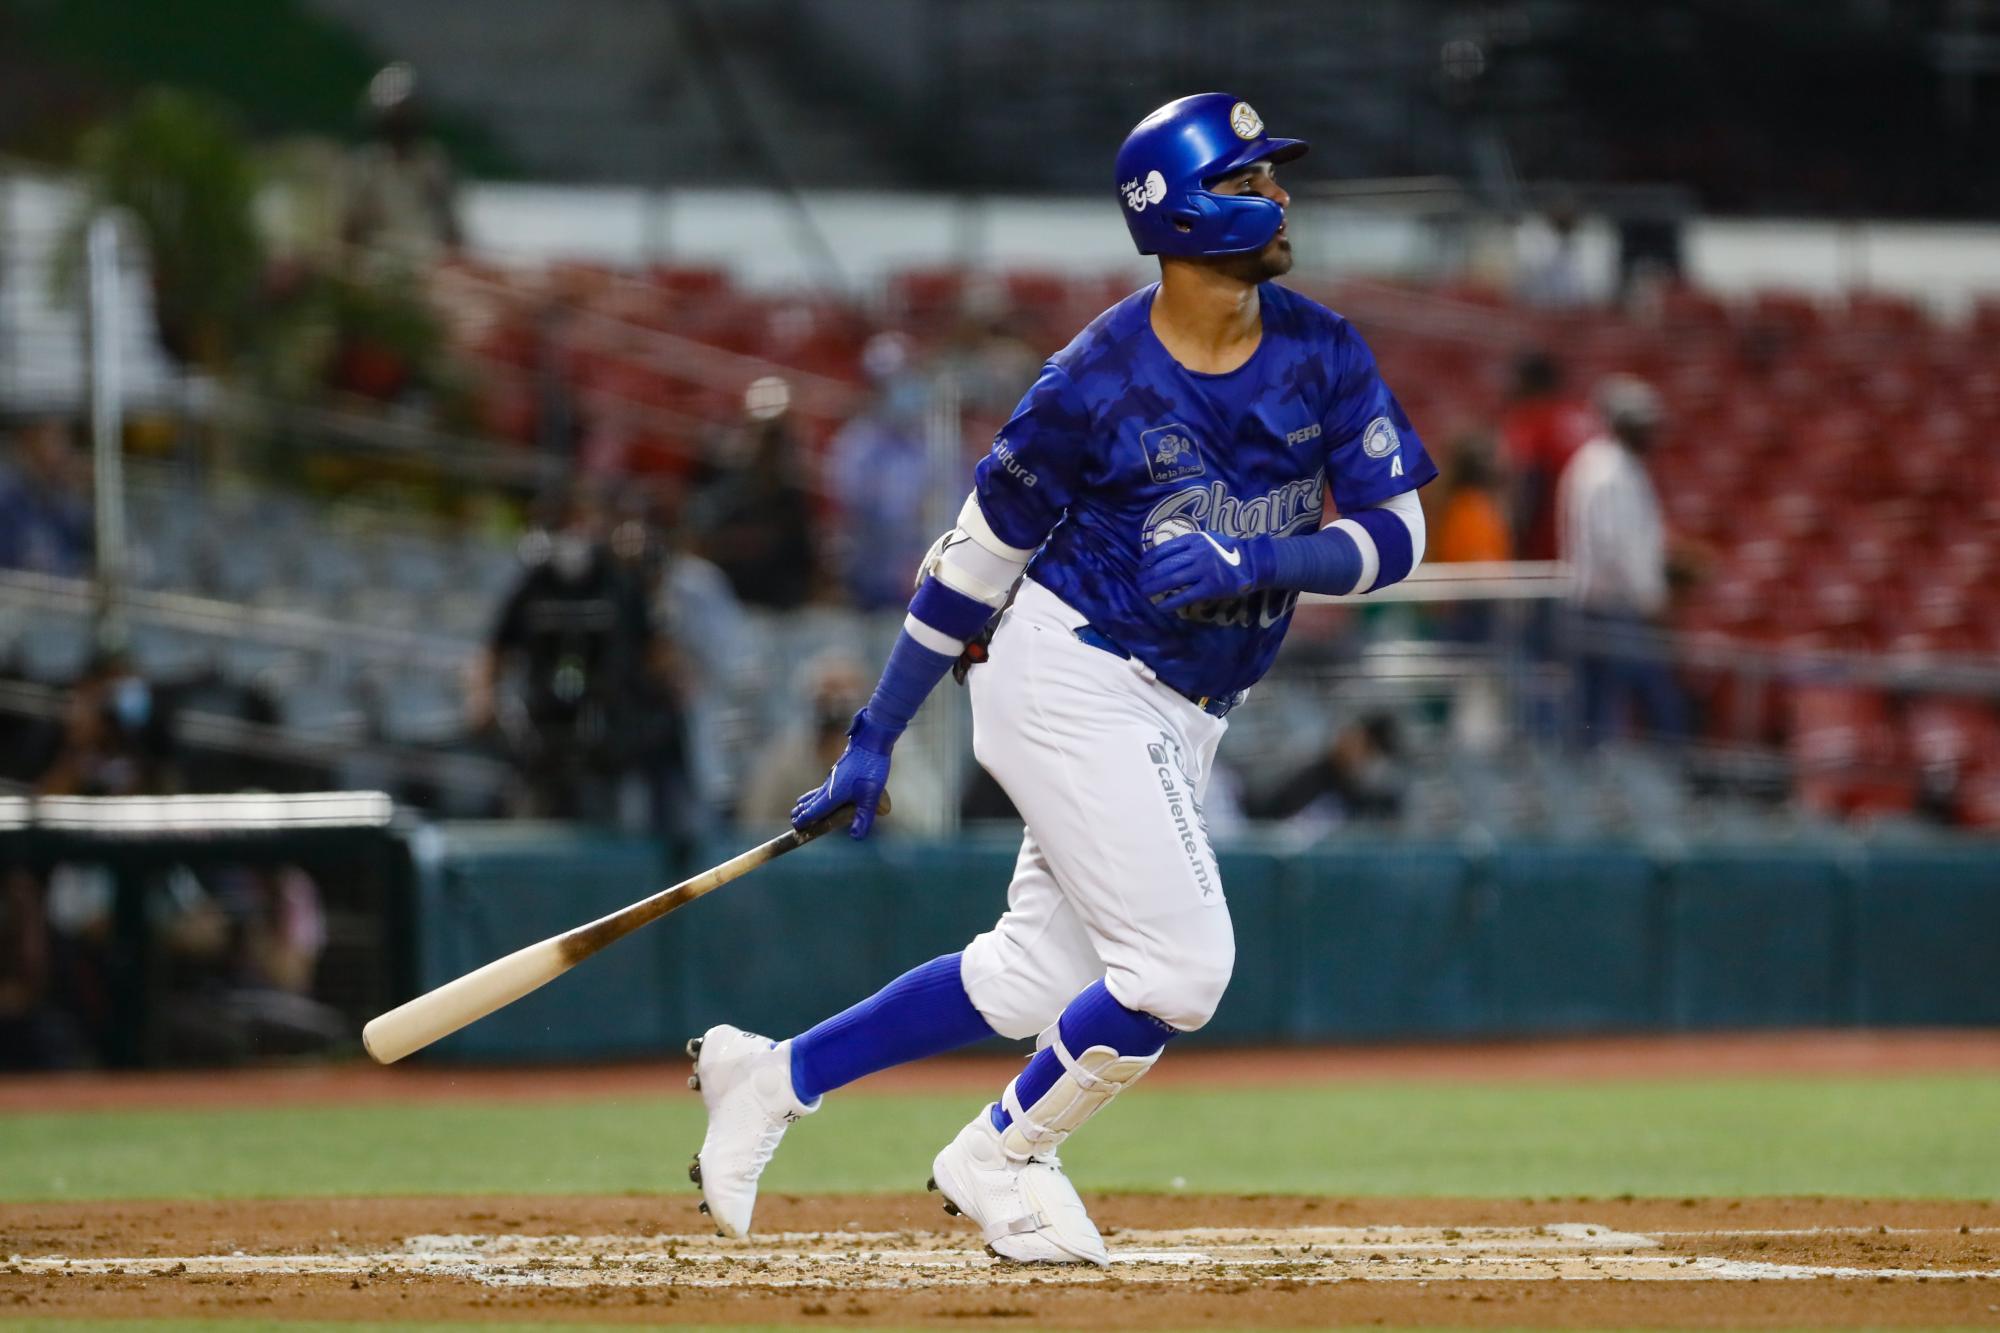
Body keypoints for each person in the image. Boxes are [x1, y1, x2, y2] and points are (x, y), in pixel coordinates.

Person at [685, 94, 1435, 1264]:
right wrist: (875, 734)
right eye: (1247, 182)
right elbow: (969, 564)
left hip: (1187, 705)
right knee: (1182, 968)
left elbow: (1399, 535)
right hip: (1071, 670)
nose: (1276, 197)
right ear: (1179, 212)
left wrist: (1267, 556)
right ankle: (1002, 1152)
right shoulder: (1092, 380)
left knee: (1029, 973)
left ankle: (771, 1077)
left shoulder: (1320, 349)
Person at [1557, 375, 1688, 744]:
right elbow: (1613, 546)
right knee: (1650, 697)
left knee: (1597, 706)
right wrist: (1650, 596)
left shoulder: (1616, 465)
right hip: (1611, 605)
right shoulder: (1606, 471)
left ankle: (1594, 781)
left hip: (1608, 604)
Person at [0, 413, 92, 577]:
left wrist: (83, 495)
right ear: (29, 437)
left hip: (62, 592)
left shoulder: (61, 498)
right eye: (55, 438)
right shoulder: (8, 494)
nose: (64, 450)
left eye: (66, 438)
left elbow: (81, 545)